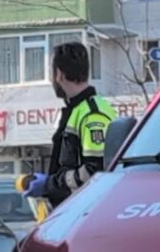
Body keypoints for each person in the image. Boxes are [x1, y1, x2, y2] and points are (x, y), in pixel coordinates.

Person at [18, 41, 116, 210]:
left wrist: (50, 184)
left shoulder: (92, 114)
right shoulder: (78, 110)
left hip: (87, 213)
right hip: (75, 212)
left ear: (59, 74)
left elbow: (96, 171)